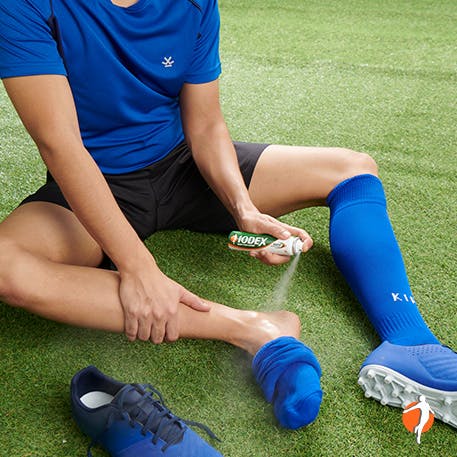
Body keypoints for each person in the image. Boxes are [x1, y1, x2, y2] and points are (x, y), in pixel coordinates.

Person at [0, 0, 456, 454]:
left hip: (182, 168)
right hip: (95, 185)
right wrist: (137, 267)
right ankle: (255, 328)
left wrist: (243, 210)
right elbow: (60, 145)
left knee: (351, 169)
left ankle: (409, 340)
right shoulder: (25, 5)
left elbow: (205, 124)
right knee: (7, 267)